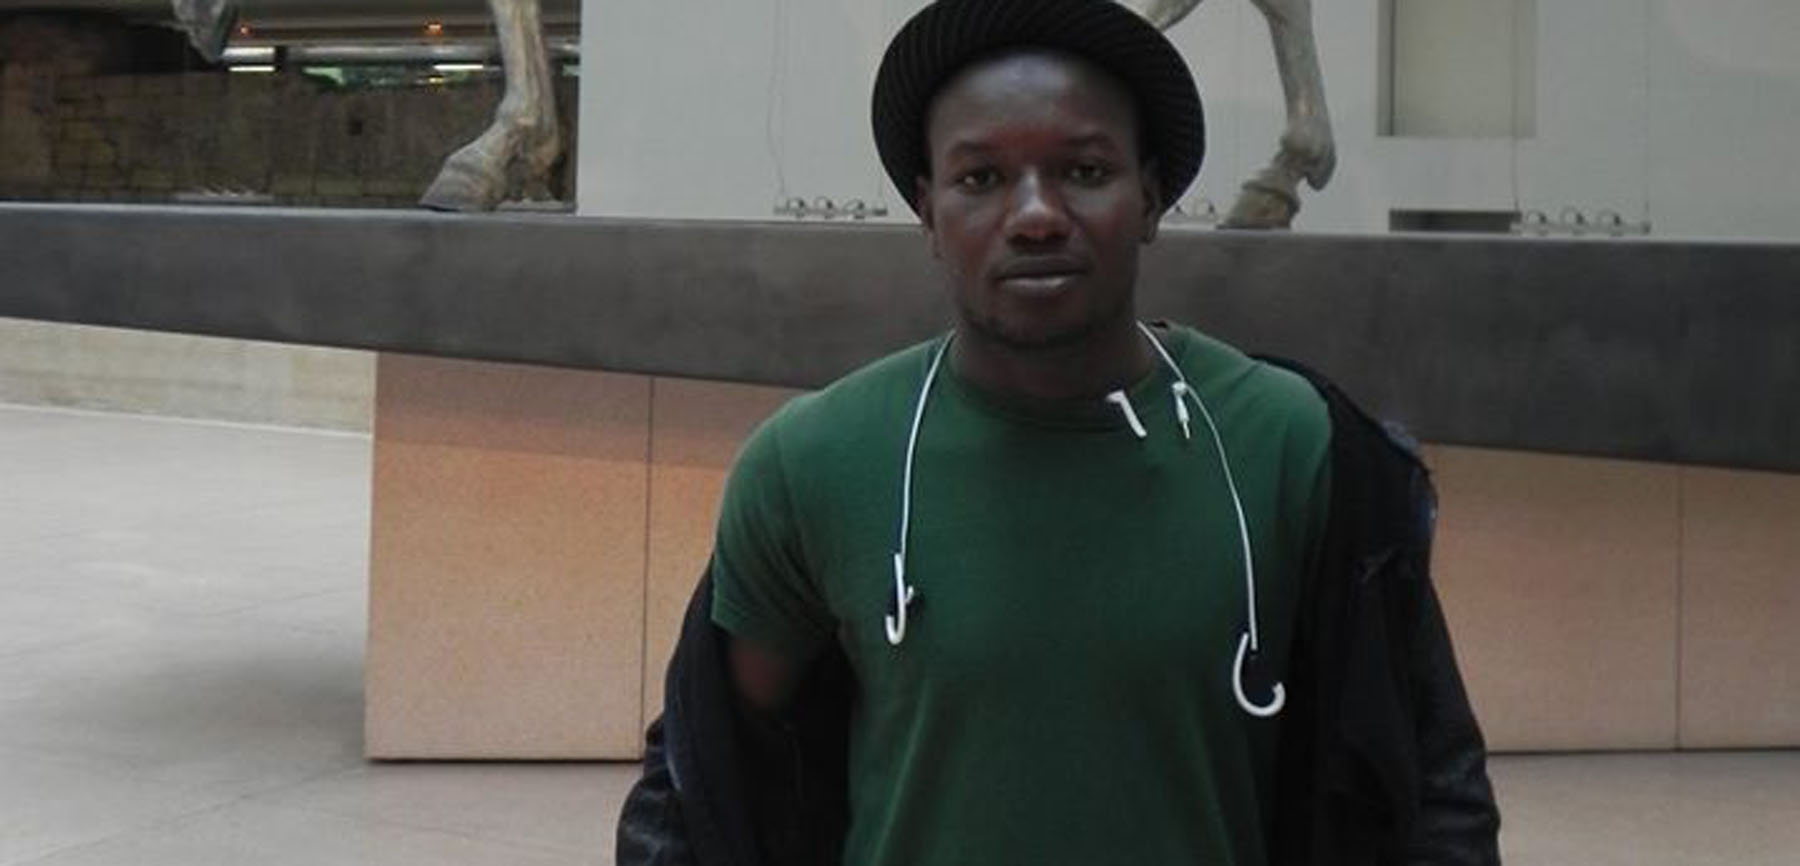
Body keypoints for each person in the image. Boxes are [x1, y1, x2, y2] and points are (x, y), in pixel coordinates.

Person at [618, 1, 1501, 864]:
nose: (1035, 214)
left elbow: (1429, 793)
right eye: (980, 179)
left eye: (1083, 170)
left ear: (1150, 197)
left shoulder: (1296, 447)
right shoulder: (813, 462)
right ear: (927, 213)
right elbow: (712, 780)